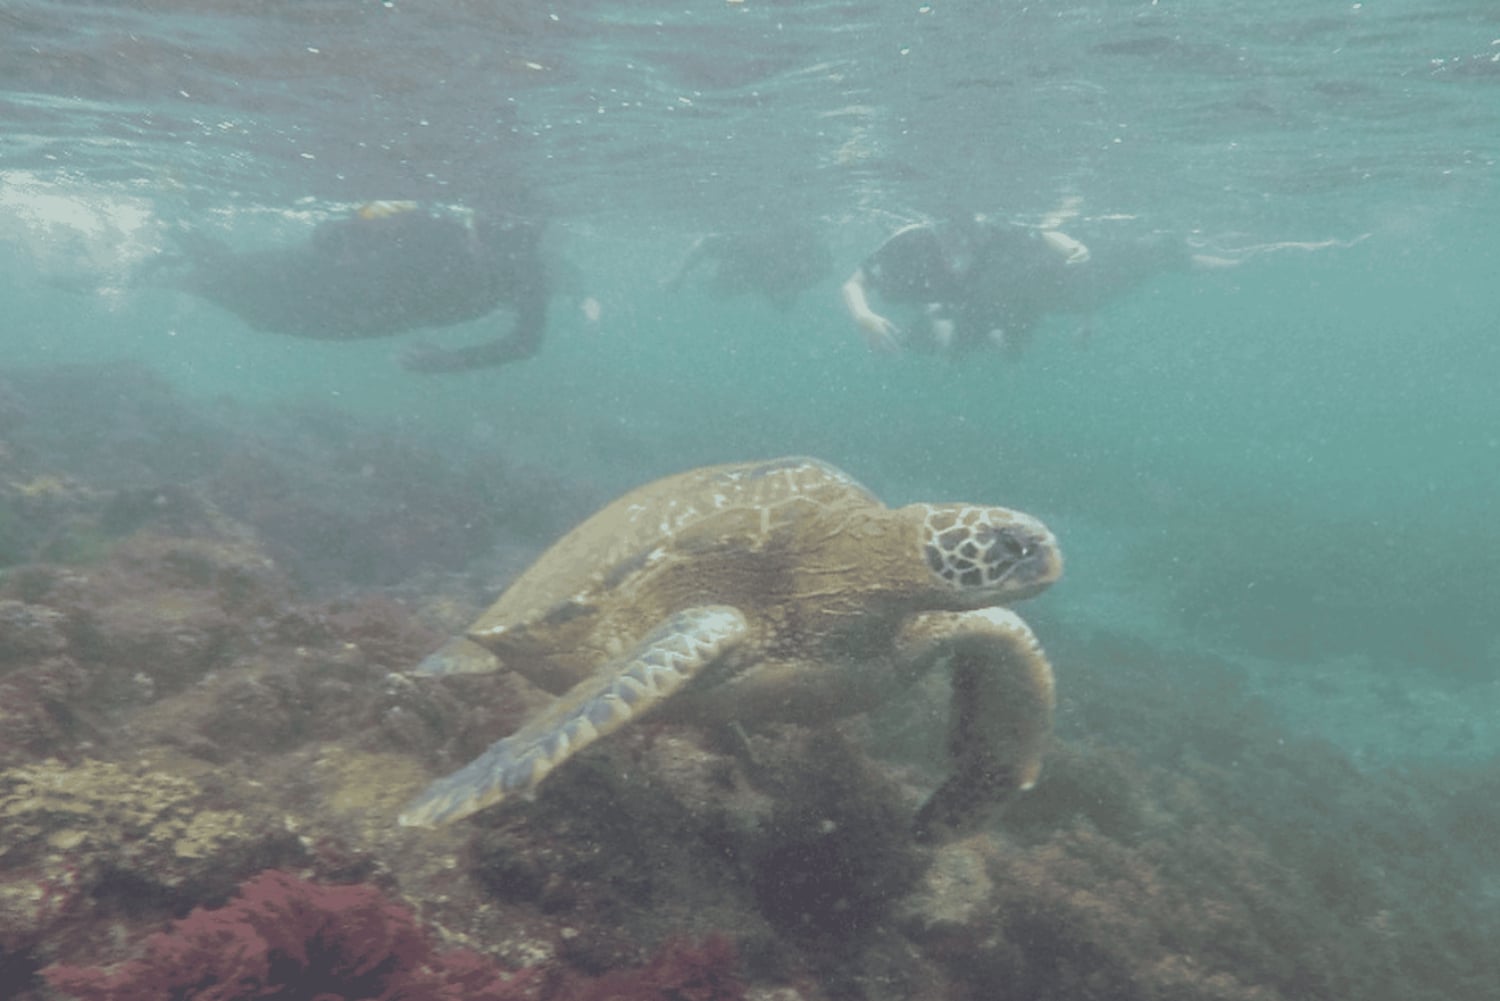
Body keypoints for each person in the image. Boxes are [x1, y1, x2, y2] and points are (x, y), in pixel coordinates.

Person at [162, 200, 549, 374]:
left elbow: (526, 342)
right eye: (491, 225)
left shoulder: (526, 274)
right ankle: (169, 242)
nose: (503, 238)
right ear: (476, 218)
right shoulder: (433, 226)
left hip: (346, 321)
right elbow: (335, 229)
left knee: (246, 301)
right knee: (225, 277)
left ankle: (176, 259)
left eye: (520, 233)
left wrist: (456, 361)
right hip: (319, 284)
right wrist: (344, 239)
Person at [842, 213, 1213, 358]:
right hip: (946, 297)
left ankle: (972, 333)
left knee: (1000, 346)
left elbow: (1036, 232)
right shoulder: (910, 241)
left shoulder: (989, 232)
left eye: (966, 235)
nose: (961, 242)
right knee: (945, 345)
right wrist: (863, 315)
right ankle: (951, 330)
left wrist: (1068, 244)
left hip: (979, 299)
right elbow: (853, 282)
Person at [664, 223, 833, 311]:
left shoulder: (800, 272)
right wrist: (678, 275)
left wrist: (782, 293)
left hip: (749, 273)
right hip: (744, 264)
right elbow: (705, 243)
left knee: (718, 292)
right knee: (717, 292)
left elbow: (778, 293)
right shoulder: (752, 246)